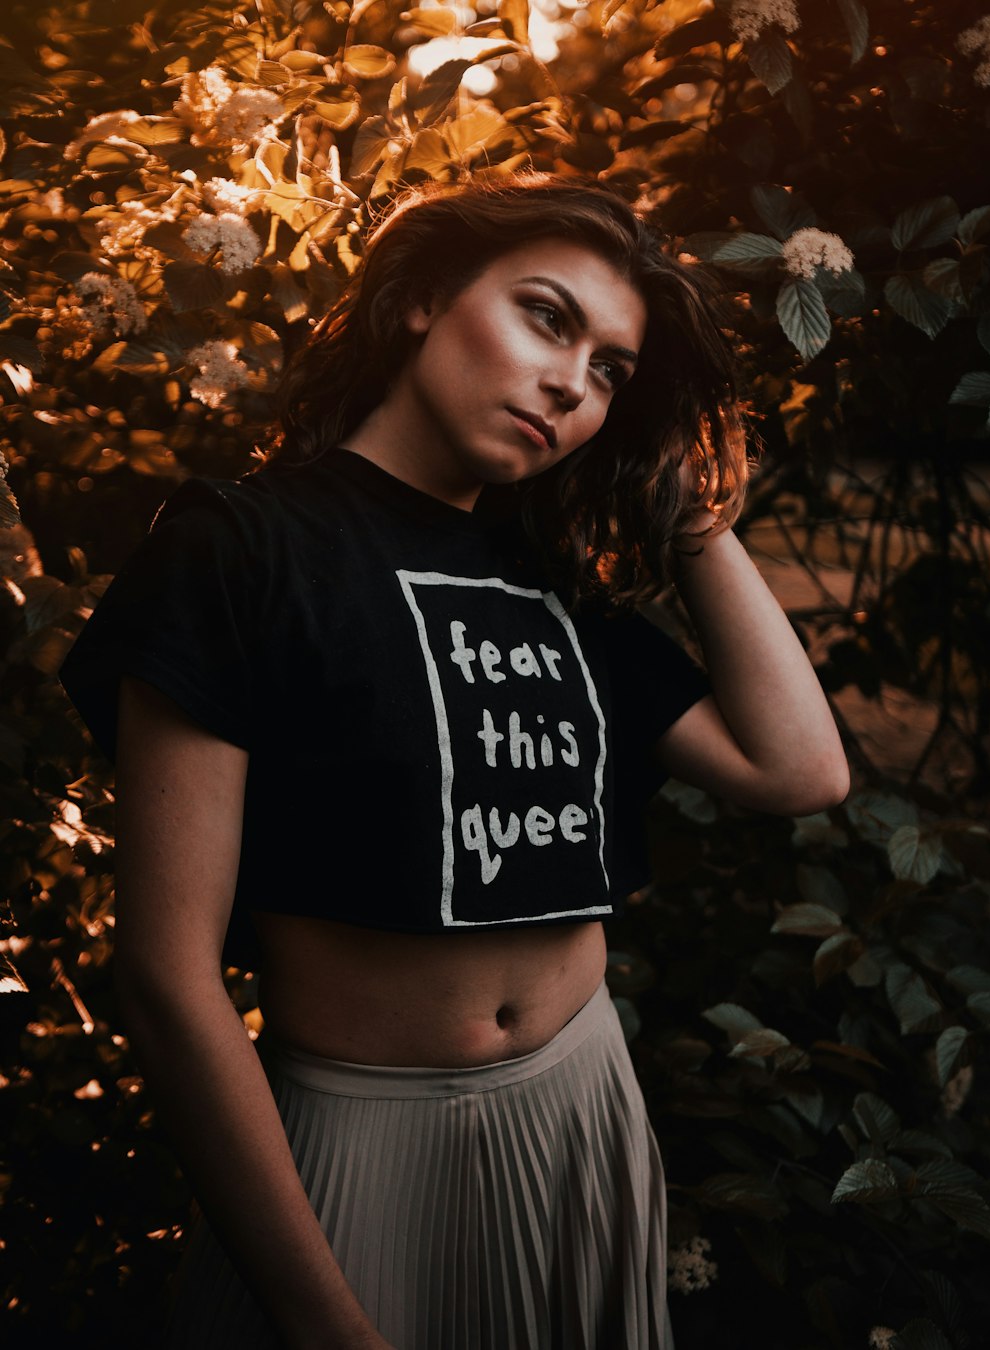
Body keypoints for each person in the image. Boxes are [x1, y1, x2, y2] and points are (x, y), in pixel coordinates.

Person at [58, 170, 849, 1350]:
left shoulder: (553, 585)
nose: (572, 384)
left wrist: (694, 516)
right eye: (546, 316)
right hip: (355, 1144)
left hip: (583, 1108)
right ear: (425, 296)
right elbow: (168, 983)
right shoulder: (244, 550)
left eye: (611, 373)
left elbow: (800, 771)